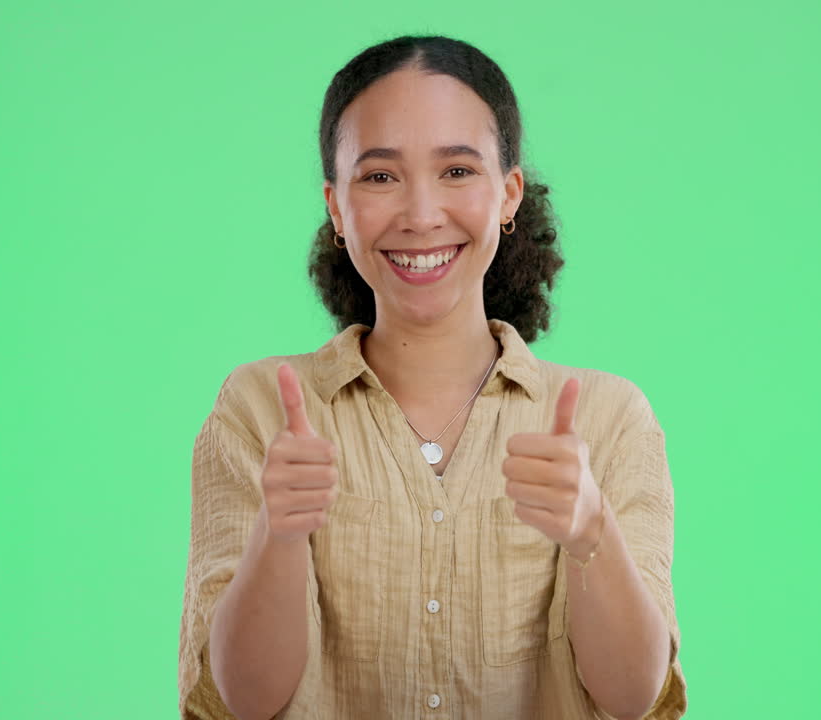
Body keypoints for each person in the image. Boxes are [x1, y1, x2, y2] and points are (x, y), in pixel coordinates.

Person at [179, 35, 686, 720]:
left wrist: (592, 532)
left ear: (508, 194)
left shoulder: (610, 419)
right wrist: (278, 532)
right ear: (336, 207)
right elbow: (246, 700)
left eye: (456, 171)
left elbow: (633, 698)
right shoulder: (259, 410)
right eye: (380, 176)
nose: (421, 216)